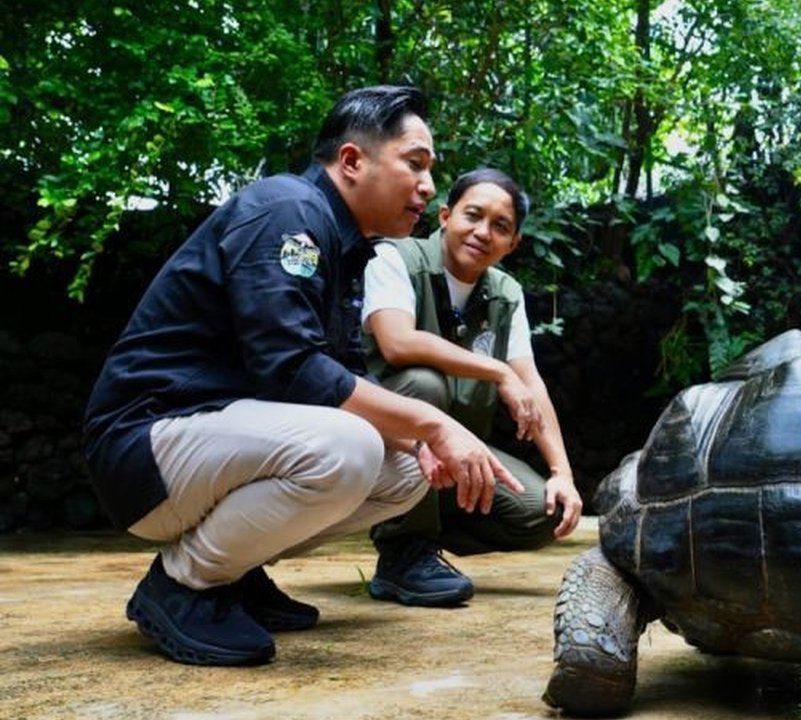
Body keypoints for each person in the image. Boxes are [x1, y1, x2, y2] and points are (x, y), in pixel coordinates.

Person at [82, 85, 521, 667]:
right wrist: (434, 421)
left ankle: (233, 572)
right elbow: (290, 368)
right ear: (351, 161)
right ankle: (183, 584)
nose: (428, 186)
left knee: (405, 470)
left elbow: (335, 379)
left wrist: (420, 440)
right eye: (415, 163)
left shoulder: (348, 250)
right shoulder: (288, 210)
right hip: (146, 443)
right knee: (351, 445)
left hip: (215, 443)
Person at [360, 168, 583, 607]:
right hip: (383, 445)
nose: (483, 232)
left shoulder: (505, 293)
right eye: (473, 216)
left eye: (500, 227)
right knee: (423, 385)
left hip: (454, 455)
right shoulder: (394, 257)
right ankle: (403, 550)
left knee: (542, 512)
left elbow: (529, 380)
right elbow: (397, 341)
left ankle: (427, 531)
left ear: (513, 243)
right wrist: (498, 373)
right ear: (445, 215)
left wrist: (563, 474)